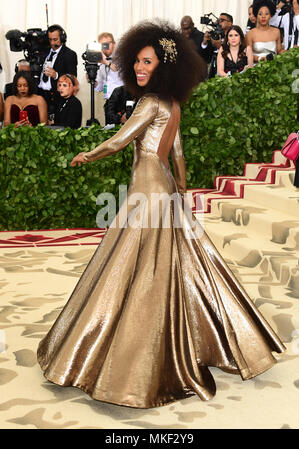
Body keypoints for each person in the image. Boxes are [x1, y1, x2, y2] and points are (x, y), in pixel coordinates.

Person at [37, 20, 285, 409]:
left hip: (146, 188)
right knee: (178, 263)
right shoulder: (173, 105)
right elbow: (179, 156)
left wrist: (88, 154)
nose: (139, 67)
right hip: (165, 185)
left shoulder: (151, 102)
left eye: (147, 62)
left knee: (132, 264)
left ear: (162, 67)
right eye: (136, 61)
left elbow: (120, 142)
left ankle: (134, 357)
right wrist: (181, 191)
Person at [38, 24, 78, 117]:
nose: (52, 43)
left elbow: (72, 77)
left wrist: (56, 75)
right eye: (50, 39)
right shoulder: (43, 52)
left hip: (57, 98)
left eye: (55, 39)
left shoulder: (69, 54)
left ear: (62, 38)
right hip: (40, 96)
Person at [94, 32, 123, 124]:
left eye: (106, 44)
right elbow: (100, 87)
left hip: (121, 101)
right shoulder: (101, 62)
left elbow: (117, 69)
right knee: (109, 129)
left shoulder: (120, 57)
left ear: (113, 44)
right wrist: (92, 81)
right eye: (102, 45)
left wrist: (105, 62)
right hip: (108, 102)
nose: (104, 47)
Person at [204, 12, 233, 78]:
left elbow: (234, 54)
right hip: (213, 67)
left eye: (222, 20)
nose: (219, 22)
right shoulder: (215, 34)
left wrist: (219, 47)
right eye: (218, 20)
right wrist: (204, 42)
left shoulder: (234, 36)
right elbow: (205, 54)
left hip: (227, 69)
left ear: (230, 23)